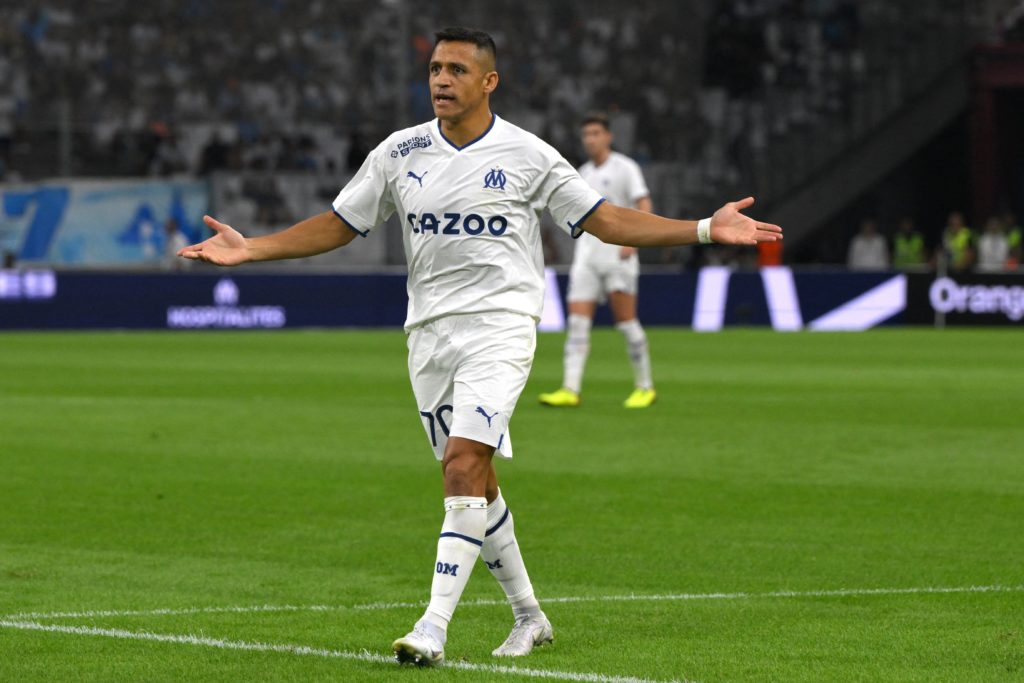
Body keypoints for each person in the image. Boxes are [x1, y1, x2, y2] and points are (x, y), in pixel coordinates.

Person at [178, 27, 781, 668]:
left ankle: (432, 626)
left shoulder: (529, 155)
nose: (441, 79)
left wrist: (702, 229)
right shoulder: (399, 151)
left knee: (463, 465)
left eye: (457, 70)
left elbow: (606, 219)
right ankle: (529, 615)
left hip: (502, 325)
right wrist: (253, 248)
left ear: (489, 81)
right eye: (436, 68)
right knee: (473, 480)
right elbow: (339, 224)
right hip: (429, 333)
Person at [538, 113, 656, 410]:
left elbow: (643, 203)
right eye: (586, 134)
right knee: (577, 324)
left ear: (608, 136)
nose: (590, 139)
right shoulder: (582, 173)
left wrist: (635, 239)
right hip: (587, 258)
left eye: (595, 133)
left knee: (627, 323)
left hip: (618, 256)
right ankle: (570, 389)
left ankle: (645, 386)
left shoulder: (625, 167)